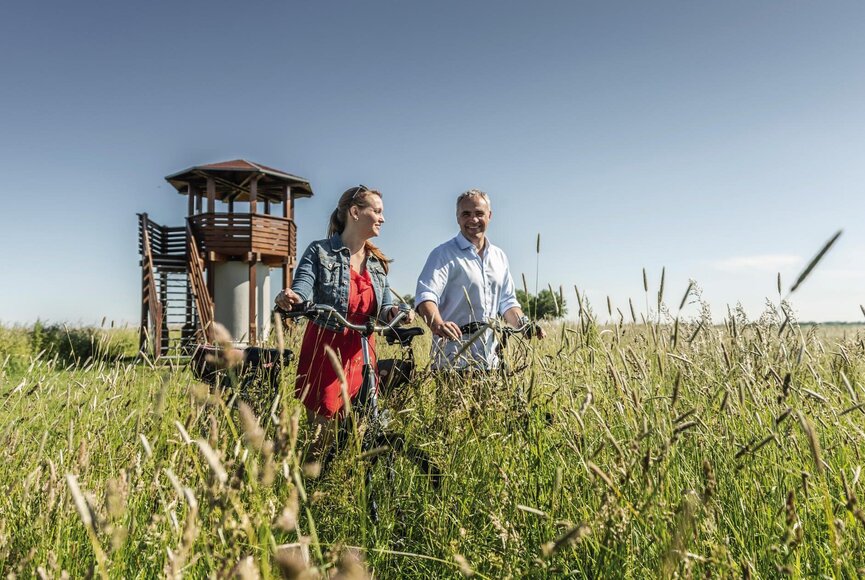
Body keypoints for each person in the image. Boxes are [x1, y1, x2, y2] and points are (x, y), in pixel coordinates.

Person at [275, 185, 413, 456]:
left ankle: (353, 486)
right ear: (355, 212)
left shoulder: (376, 263)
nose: (382, 218)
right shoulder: (320, 252)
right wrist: (292, 297)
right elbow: (302, 287)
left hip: (362, 353)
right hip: (326, 351)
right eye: (377, 211)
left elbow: (385, 306)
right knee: (322, 439)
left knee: (360, 432)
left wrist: (395, 313)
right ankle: (314, 488)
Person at [415, 189, 544, 371]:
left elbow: (507, 303)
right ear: (457, 217)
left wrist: (525, 325)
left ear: (489, 216)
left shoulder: (499, 257)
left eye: (479, 214)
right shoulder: (443, 254)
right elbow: (425, 295)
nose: (473, 220)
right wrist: (437, 324)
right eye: (466, 214)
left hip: (491, 359)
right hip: (453, 358)